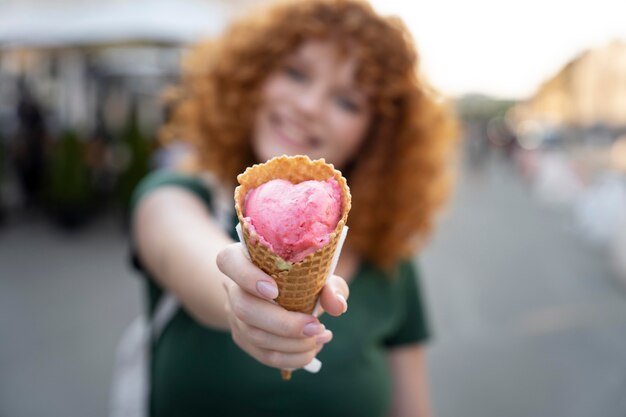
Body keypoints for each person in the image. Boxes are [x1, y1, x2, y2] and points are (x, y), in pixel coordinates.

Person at [129, 0, 457, 416]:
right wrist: (238, 297)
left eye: (348, 102)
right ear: (254, 74)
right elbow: (187, 252)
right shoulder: (174, 197)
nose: (309, 106)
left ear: (377, 136)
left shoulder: (391, 262)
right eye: (296, 73)